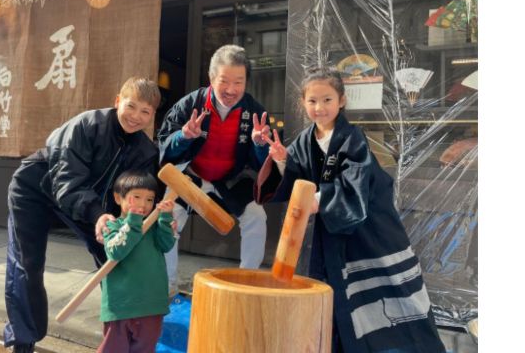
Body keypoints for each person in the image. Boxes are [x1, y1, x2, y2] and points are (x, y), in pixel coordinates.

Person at [256, 68, 446, 353]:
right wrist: (283, 160)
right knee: (334, 299)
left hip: (366, 233)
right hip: (329, 234)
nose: (319, 108)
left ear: (341, 101)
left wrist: (318, 200)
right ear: (303, 103)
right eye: (312, 101)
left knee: (389, 300)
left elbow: (356, 186)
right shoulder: (305, 140)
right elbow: (294, 181)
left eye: (327, 100)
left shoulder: (353, 138)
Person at [4, 77, 161, 353]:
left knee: (118, 260)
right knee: (27, 265)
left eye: (145, 111)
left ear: (152, 116)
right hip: (37, 190)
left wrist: (121, 225)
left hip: (91, 204)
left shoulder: (145, 151)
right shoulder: (87, 125)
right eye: (131, 106)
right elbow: (67, 183)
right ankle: (23, 341)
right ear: (117, 102)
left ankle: (120, 337)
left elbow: (133, 194)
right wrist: (99, 215)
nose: (136, 116)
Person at [157, 44, 271, 295]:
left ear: (246, 82)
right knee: (166, 221)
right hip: (190, 177)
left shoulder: (255, 112)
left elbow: (264, 164)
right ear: (211, 78)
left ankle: (246, 283)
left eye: (238, 82)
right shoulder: (190, 104)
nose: (231, 90)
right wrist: (184, 136)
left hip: (228, 180)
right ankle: (166, 287)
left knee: (256, 216)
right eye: (224, 81)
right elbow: (164, 147)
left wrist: (260, 145)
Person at [97, 171, 176, 353]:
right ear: (118, 198)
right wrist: (133, 222)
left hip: (152, 304)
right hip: (121, 306)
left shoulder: (153, 226)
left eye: (150, 199)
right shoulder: (112, 226)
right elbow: (116, 251)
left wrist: (165, 219)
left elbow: (166, 244)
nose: (143, 204)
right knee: (113, 349)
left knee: (145, 349)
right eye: (137, 197)